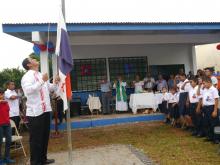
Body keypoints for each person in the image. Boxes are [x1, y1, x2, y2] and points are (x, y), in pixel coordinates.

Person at [21, 57, 59, 165]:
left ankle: (43, 158)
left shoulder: (40, 74)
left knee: (44, 136)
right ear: (29, 64)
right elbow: (29, 91)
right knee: (36, 139)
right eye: (31, 59)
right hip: (35, 112)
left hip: (46, 109)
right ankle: (35, 162)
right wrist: (43, 80)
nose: (34, 59)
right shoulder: (26, 77)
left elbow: (49, 88)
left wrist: (55, 83)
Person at [0, 88, 15, 164]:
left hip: (7, 124)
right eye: (0, 94)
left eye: (2, 94)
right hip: (0, 125)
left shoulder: (5, 103)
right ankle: (0, 160)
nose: (2, 95)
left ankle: (7, 158)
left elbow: (7, 112)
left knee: (8, 141)